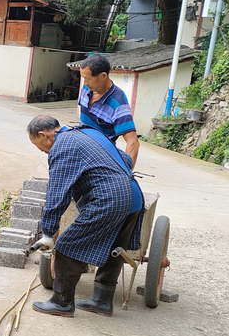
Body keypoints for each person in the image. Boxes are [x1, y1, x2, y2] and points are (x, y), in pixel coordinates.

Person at [27, 115, 143, 317]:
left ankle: (62, 302)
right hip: (133, 197)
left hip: (109, 199)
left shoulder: (62, 146)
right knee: (115, 250)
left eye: (38, 145)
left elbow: (57, 194)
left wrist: (48, 233)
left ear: (44, 135)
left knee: (67, 245)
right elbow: (125, 159)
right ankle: (102, 301)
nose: (42, 150)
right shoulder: (87, 132)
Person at [77, 55, 140, 167]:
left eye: (88, 79)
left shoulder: (118, 103)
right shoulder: (87, 88)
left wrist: (125, 172)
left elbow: (133, 143)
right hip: (80, 151)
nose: (85, 83)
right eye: (83, 78)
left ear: (103, 76)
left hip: (100, 160)